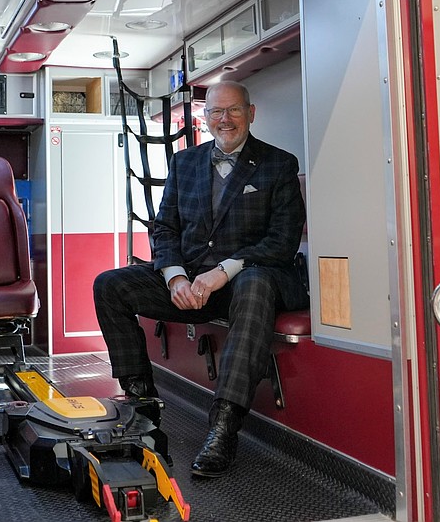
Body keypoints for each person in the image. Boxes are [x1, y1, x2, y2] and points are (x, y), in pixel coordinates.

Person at [93, 81, 308, 477]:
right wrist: (175, 278)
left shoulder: (280, 164)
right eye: (215, 112)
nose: (224, 119)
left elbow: (282, 242)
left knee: (256, 283)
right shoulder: (184, 163)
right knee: (109, 284)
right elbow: (164, 229)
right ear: (204, 117)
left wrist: (221, 272)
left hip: (247, 283)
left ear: (252, 112)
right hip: (191, 281)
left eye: (234, 110)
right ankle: (142, 406)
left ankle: (224, 425)